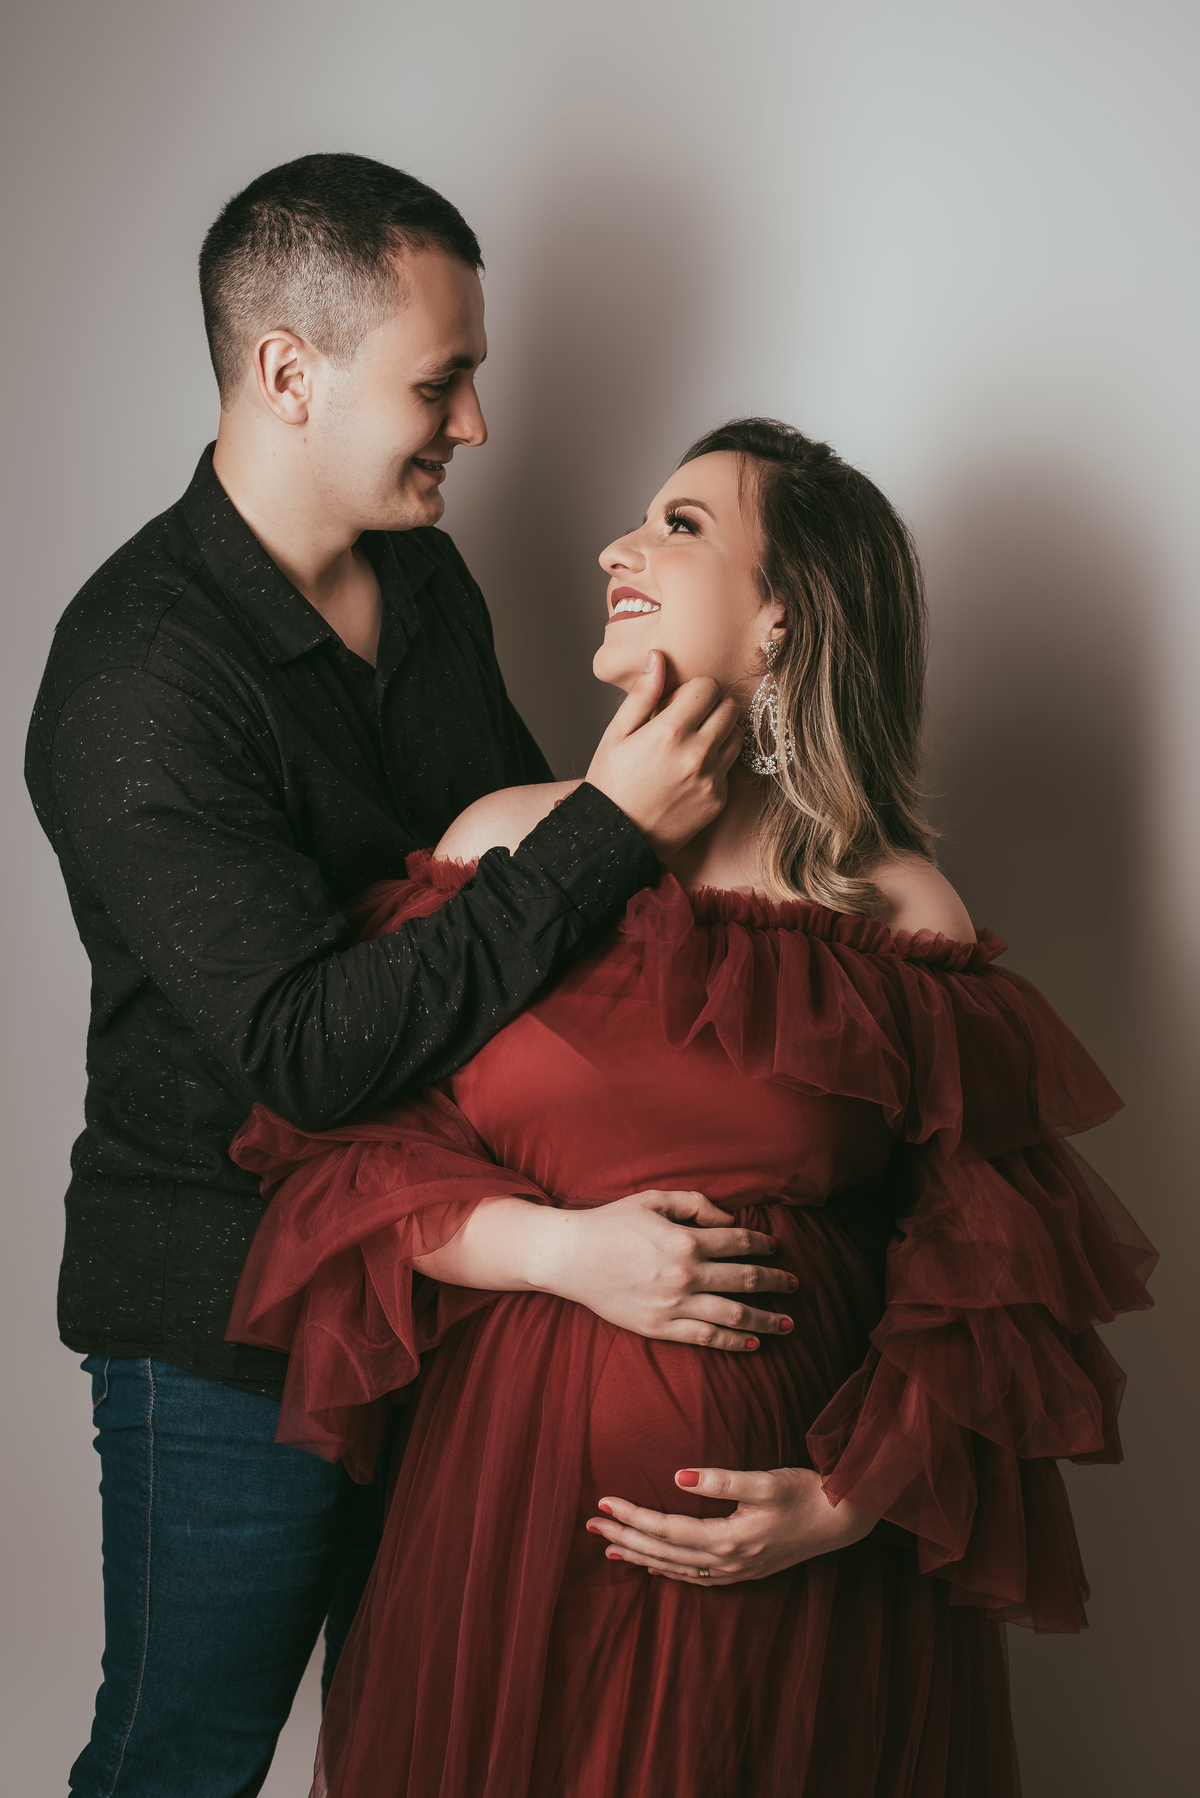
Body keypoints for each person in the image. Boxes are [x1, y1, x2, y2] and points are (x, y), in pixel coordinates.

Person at [228, 417, 1157, 1798]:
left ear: (785, 619)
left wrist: (843, 1501)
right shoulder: (502, 848)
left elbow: (993, 1273)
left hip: (796, 1594)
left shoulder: (896, 914)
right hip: (511, 1537)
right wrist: (561, 1251)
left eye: (680, 524)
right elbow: (345, 1158)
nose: (618, 548)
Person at [23, 154, 770, 1798]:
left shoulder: (423, 580)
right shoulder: (134, 672)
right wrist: (609, 824)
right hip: (228, 1328)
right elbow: (308, 1046)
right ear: (289, 372)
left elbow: (522, 925)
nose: (479, 424)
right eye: (443, 381)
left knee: (412, 1754)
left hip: (449, 1288)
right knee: (178, 1767)